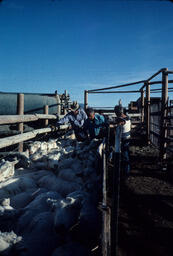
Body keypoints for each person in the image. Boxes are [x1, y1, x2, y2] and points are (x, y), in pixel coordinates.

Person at [114, 103, 131, 175]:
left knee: (124, 155)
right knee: (125, 154)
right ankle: (125, 170)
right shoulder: (127, 117)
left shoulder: (122, 120)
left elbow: (118, 121)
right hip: (126, 138)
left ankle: (126, 172)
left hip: (123, 139)